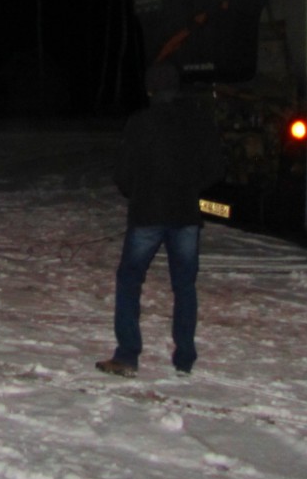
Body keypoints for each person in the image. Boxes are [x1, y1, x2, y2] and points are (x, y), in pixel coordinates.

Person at [96, 63, 224, 377]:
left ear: (151, 89)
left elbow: (122, 173)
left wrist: (138, 190)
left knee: (129, 281)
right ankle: (184, 358)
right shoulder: (199, 121)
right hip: (185, 214)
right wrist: (191, 187)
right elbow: (216, 167)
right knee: (184, 287)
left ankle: (127, 356)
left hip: (148, 214)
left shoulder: (141, 122)